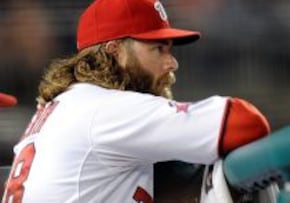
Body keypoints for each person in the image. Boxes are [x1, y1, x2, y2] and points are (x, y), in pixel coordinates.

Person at [1, 0, 270, 202]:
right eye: (157, 49)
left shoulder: (64, 105)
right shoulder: (106, 108)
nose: (171, 62)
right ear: (114, 51)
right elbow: (246, 123)